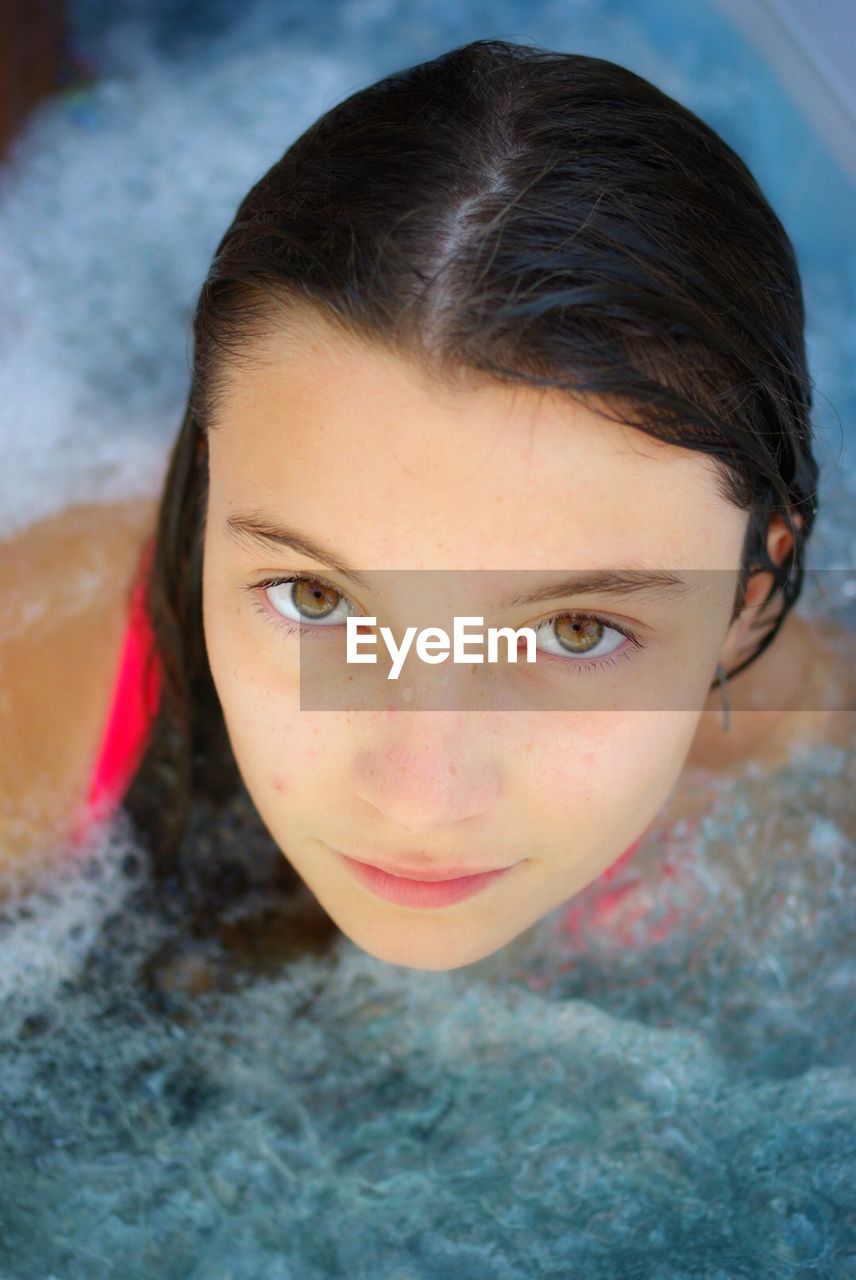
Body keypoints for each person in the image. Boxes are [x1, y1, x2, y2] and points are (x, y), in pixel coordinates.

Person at [1, 38, 852, 971]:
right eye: (315, 599)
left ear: (750, 598)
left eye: (574, 631)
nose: (421, 798)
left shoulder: (806, 770)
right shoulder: (46, 684)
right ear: (209, 513)